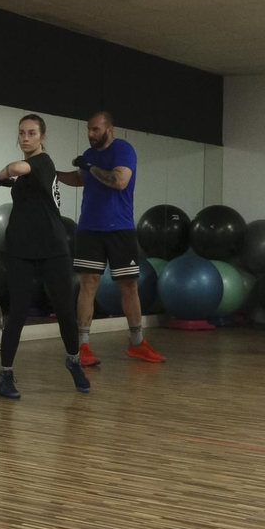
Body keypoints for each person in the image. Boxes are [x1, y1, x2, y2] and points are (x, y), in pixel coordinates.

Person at [0, 114, 88, 399]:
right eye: (21, 133)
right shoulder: (26, 179)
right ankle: (5, 376)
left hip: (53, 248)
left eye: (32, 133)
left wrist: (3, 173)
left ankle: (73, 360)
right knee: (18, 312)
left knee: (65, 311)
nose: (25, 138)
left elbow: (17, 167)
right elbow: (7, 180)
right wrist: (3, 180)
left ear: (42, 137)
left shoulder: (44, 163)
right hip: (20, 250)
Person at [58, 109, 164, 366]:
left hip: (120, 228)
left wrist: (90, 167)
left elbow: (119, 180)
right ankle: (82, 347)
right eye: (88, 129)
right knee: (88, 284)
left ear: (109, 129)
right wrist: (52, 173)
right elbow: (80, 178)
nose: (91, 134)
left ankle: (137, 344)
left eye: (95, 129)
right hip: (89, 229)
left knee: (129, 286)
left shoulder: (123, 150)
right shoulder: (89, 155)